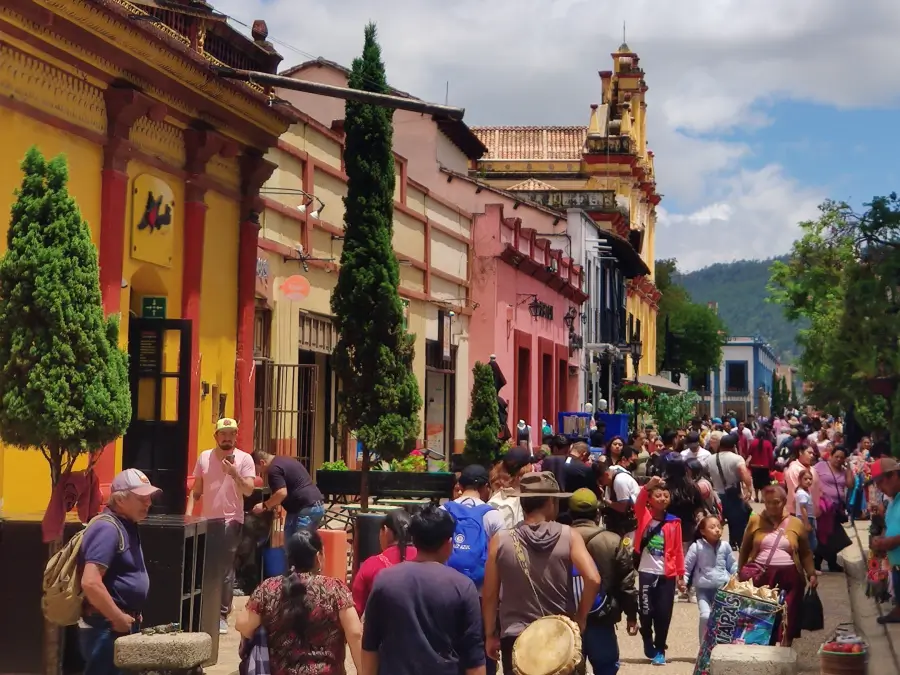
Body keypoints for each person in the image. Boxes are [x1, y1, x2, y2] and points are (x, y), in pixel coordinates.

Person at [482, 472, 600, 675]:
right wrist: (580, 618)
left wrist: (490, 634)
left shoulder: (500, 541)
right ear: (550, 502)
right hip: (559, 638)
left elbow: (490, 594)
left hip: (516, 638)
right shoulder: (569, 536)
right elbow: (593, 578)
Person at [361, 504, 486, 675]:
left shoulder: (385, 580)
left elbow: (370, 644)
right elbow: (474, 656)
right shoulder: (463, 587)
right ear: (448, 544)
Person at [236, 529, 362, 674]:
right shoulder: (335, 589)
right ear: (318, 557)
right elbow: (355, 633)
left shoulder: (269, 588)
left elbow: (243, 625)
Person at [78, 469, 160, 675]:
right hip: (106, 627)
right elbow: (90, 582)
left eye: (149, 497)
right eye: (142, 498)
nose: (148, 502)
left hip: (118, 626)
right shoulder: (107, 529)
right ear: (121, 500)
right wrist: (117, 618)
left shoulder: (127, 525)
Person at [187, 418, 256, 633]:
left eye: (231, 433)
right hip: (207, 520)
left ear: (236, 436)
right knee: (207, 566)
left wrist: (235, 473)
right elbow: (196, 490)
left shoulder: (244, 459)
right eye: (223, 433)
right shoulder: (204, 457)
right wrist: (189, 514)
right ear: (216, 436)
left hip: (230, 519)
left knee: (224, 567)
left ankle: (222, 614)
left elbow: (249, 491)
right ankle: (208, 610)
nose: (227, 437)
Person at [569, 488, 639, 675]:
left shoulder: (560, 538)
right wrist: (632, 616)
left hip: (568, 620)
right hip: (602, 616)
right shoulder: (613, 540)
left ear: (570, 513)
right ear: (597, 512)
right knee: (606, 668)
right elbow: (627, 584)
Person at [443, 465, 505, 675]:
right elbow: (500, 559)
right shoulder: (492, 516)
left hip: (445, 592)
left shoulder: (444, 510)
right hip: (479, 594)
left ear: (460, 486)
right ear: (485, 487)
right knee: (476, 650)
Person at [738, 485, 817, 647]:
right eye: (768, 503)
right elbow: (744, 548)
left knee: (790, 612)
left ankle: (785, 648)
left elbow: (805, 552)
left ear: (784, 502)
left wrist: (811, 573)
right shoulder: (755, 520)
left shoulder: (795, 523)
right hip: (762, 575)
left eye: (776, 502)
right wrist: (740, 572)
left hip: (790, 576)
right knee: (762, 613)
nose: (772, 506)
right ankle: (762, 647)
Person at [633, 476, 685, 666]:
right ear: (650, 499)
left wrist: (681, 575)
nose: (662, 498)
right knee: (646, 611)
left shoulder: (674, 522)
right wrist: (648, 486)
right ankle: (647, 637)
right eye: (658, 495)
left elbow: (679, 549)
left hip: (667, 574)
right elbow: (639, 501)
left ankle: (660, 648)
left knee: (664, 613)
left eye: (665, 495)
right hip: (646, 571)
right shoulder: (644, 515)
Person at [351, 509, 417, 615]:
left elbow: (356, 610)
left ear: (385, 531)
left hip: (384, 629)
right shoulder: (427, 560)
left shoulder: (372, 565)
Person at [684, 515, 736, 642]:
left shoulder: (725, 546)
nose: (717, 530)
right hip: (703, 590)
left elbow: (732, 565)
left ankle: (720, 645)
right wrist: (683, 582)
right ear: (702, 531)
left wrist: (737, 577)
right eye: (712, 527)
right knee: (706, 616)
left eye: (719, 527)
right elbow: (686, 567)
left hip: (722, 589)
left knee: (722, 619)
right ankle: (703, 646)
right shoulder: (696, 546)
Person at [252, 449, 325, 539]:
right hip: (314, 505)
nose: (257, 473)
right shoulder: (283, 460)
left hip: (305, 508)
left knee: (298, 546)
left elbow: (282, 493)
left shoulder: (273, 469)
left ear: (262, 462)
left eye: (256, 468)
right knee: (305, 545)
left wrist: (265, 505)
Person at [868, 457, 900, 624]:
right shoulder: (894, 500)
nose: (879, 488)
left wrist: (890, 542)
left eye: (880, 482)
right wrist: (881, 541)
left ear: (893, 475)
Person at [814, 446, 854, 572]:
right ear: (830, 456)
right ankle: (821, 562)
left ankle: (828, 562)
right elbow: (810, 477)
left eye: (841, 458)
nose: (838, 459)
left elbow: (850, 484)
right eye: (836, 456)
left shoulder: (843, 471)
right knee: (826, 535)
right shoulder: (820, 466)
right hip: (824, 507)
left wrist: (848, 468)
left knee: (833, 537)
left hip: (837, 508)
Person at [709, 434, 752, 549]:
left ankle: (730, 543)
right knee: (739, 520)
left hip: (718, 495)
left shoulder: (711, 458)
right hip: (734, 495)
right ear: (733, 446)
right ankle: (739, 543)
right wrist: (749, 488)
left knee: (724, 520)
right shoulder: (736, 458)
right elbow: (743, 472)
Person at [602, 447, 640, 543]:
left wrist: (605, 501)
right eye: (633, 460)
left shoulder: (620, 480)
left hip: (629, 525)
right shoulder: (614, 472)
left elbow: (622, 507)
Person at [746, 429, 774, 502]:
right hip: (765, 466)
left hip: (755, 465)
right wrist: (771, 466)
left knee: (756, 481)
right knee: (764, 482)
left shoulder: (754, 443)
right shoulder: (768, 443)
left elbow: (749, 452)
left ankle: (756, 497)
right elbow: (771, 456)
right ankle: (763, 498)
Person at [794, 469, 817, 553]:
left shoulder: (805, 491)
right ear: (800, 479)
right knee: (809, 544)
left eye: (810, 479)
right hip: (805, 519)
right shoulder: (802, 493)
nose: (808, 481)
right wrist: (806, 523)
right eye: (805, 479)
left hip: (806, 518)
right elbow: (802, 508)